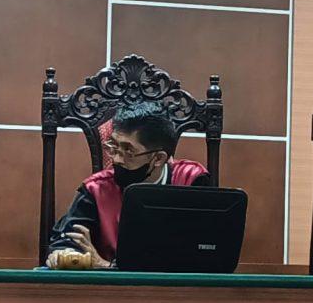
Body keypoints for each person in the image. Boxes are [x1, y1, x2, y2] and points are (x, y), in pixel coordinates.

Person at [45, 103, 212, 268]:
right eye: (114, 146)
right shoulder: (97, 189)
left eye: (128, 151)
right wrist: (66, 254)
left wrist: (107, 267)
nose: (116, 159)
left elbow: (206, 252)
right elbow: (66, 241)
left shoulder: (191, 181)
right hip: (111, 286)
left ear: (158, 158)